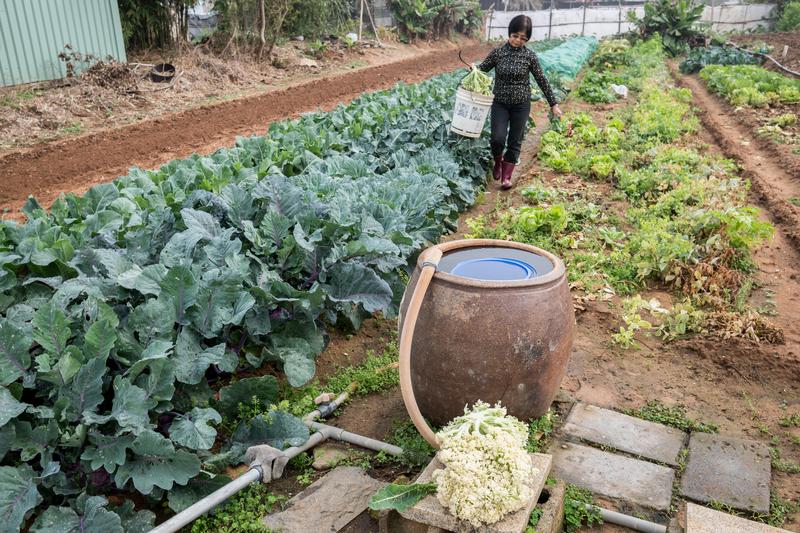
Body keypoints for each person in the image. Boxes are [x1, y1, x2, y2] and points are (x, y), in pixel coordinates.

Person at [478, 15, 562, 190]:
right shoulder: (498, 53)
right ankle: (498, 162)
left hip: (521, 104)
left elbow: (541, 79)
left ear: (527, 40)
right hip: (500, 102)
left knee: (515, 141)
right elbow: (482, 70)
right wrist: (472, 71)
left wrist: (553, 103)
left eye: (523, 38)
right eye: (515, 36)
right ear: (510, 34)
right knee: (497, 139)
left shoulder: (529, 56)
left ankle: (506, 177)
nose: (518, 40)